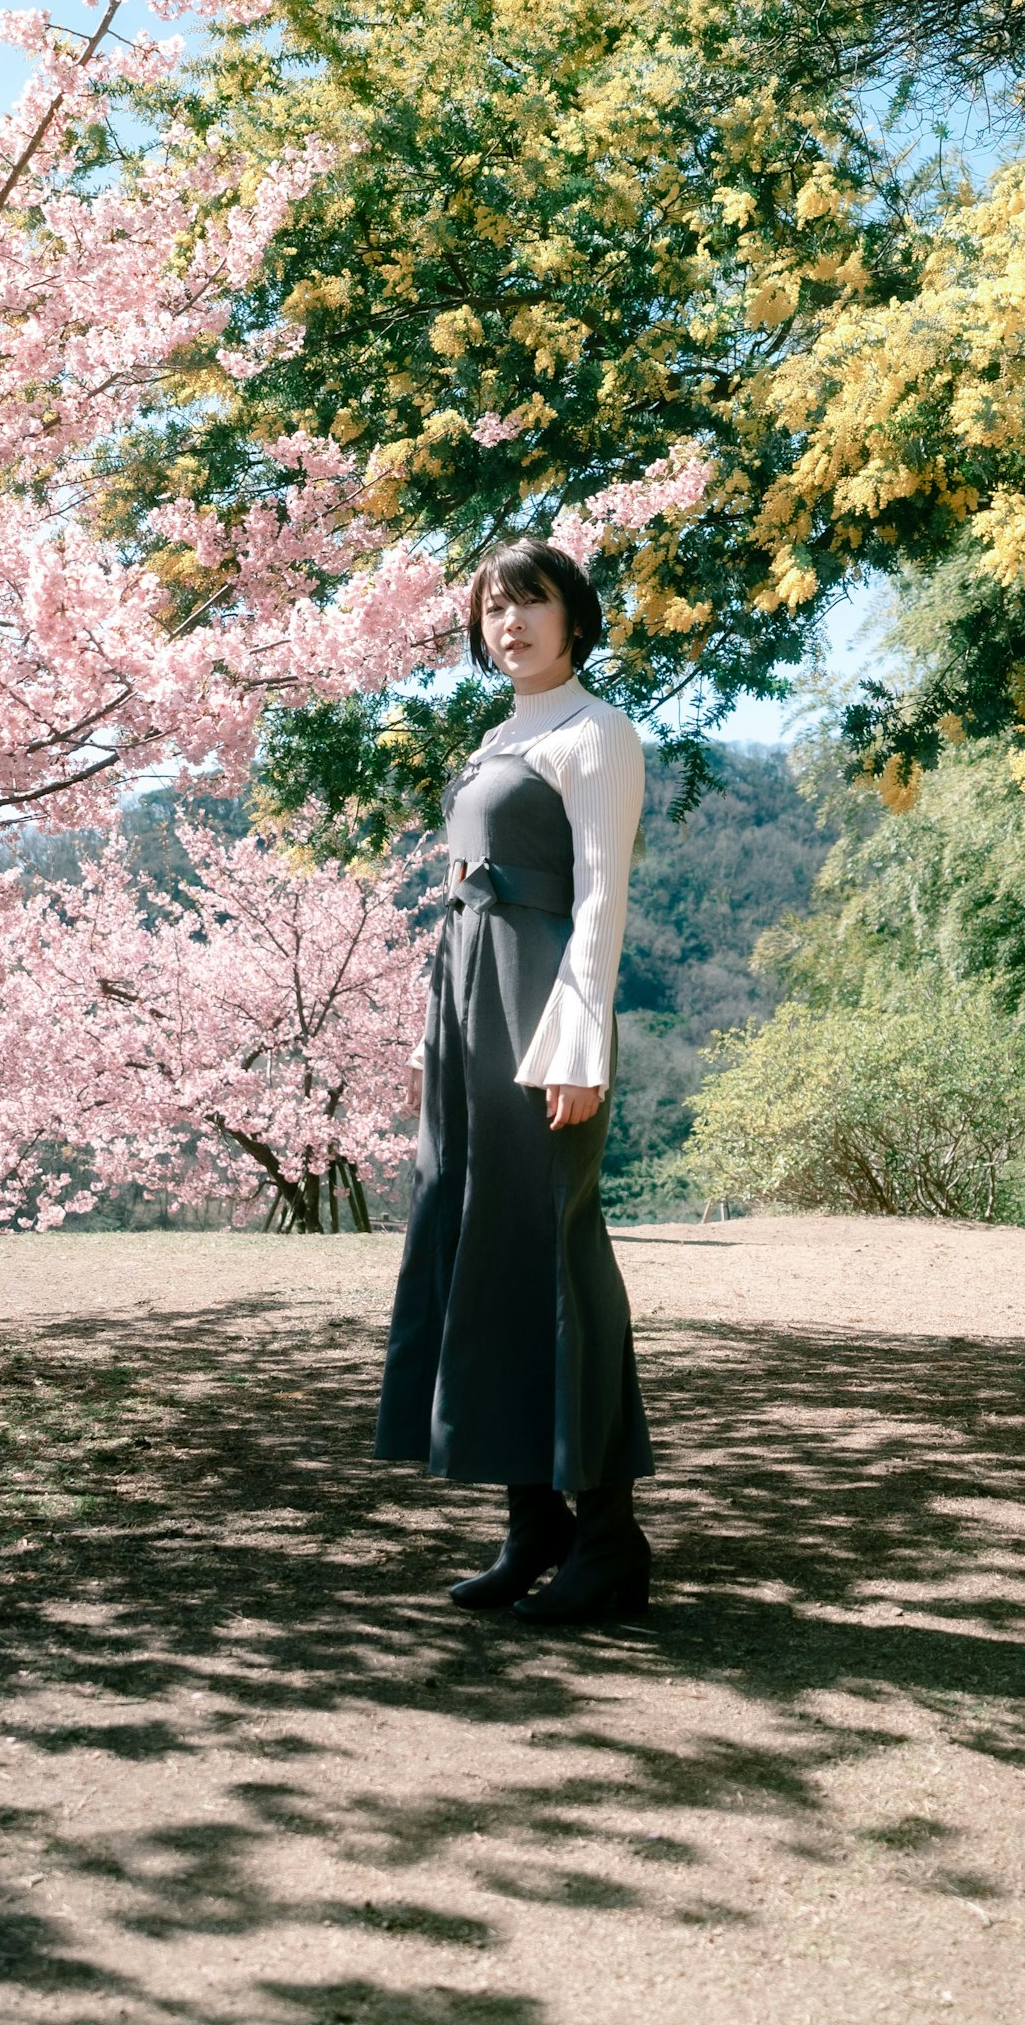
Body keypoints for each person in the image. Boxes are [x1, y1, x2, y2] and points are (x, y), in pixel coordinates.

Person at [374, 537, 654, 1624]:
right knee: (477, 1250)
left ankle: (609, 1540)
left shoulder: (599, 733)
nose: (512, 622)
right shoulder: (497, 735)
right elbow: (456, 900)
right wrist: (425, 1037)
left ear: (573, 618)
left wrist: (577, 1041)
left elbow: (598, 900)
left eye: (532, 602)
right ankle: (531, 1526)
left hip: (545, 1012)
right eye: (495, 607)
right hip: (466, 1015)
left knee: (553, 1255)